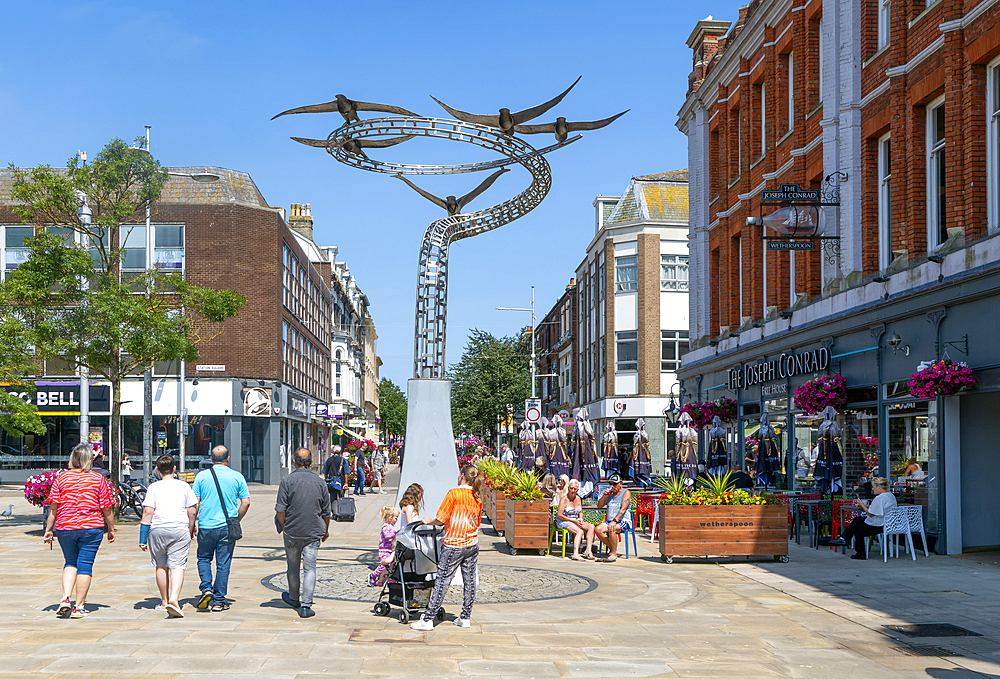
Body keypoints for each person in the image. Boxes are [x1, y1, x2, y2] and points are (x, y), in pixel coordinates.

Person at [43, 443, 115, 619]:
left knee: (70, 562)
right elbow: (107, 508)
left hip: (65, 527)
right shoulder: (98, 479)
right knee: (85, 565)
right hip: (91, 527)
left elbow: (53, 508)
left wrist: (48, 530)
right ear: (89, 459)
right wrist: (111, 528)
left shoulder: (61, 479)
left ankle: (65, 598)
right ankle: (79, 606)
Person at [410, 465, 482, 630]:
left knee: (442, 581)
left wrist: (429, 521)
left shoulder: (454, 493)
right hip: (472, 543)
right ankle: (465, 616)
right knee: (469, 581)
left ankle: (428, 619)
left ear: (462, 476)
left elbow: (442, 518)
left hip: (454, 544)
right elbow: (477, 522)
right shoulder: (476, 496)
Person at [192, 445, 250, 612]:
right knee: (223, 563)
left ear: (211, 459)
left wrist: (193, 522)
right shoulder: (237, 476)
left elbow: (195, 503)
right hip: (227, 526)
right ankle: (218, 601)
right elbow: (246, 502)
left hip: (205, 525)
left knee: (203, 558)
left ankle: (206, 588)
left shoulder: (201, 477)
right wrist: (236, 520)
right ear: (228, 458)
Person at [139, 454, 198, 618]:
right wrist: (191, 528)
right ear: (174, 469)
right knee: (178, 565)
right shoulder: (184, 486)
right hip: (179, 529)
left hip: (158, 529)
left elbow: (148, 512)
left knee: (161, 565)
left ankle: (164, 602)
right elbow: (192, 511)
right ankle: (174, 599)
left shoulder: (153, 488)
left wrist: (142, 538)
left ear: (157, 470)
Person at [275, 448, 330, 618]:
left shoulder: (287, 480)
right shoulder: (320, 482)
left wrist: (285, 526)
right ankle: (306, 605)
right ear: (311, 462)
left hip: (292, 531)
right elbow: (326, 512)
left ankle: (293, 597)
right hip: (313, 531)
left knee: (293, 566)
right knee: (310, 568)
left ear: (294, 462)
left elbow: (280, 510)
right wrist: (325, 530)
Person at [831, 477, 897, 559]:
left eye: (873, 486)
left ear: (879, 486)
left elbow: (870, 514)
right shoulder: (890, 495)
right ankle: (844, 538)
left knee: (858, 530)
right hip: (888, 523)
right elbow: (880, 507)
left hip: (880, 524)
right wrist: (867, 506)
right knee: (858, 519)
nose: (872, 489)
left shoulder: (879, 498)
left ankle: (859, 552)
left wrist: (862, 505)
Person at [594, 473, 632, 563]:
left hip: (623, 520)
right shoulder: (609, 494)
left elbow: (623, 509)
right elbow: (599, 506)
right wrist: (605, 496)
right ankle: (613, 548)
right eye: (610, 484)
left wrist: (615, 521)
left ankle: (613, 553)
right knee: (597, 529)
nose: (612, 486)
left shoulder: (626, 493)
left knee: (612, 528)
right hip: (610, 520)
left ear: (620, 484)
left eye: (615, 484)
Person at [557, 479, 596, 561]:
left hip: (575, 519)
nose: (573, 491)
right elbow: (559, 515)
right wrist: (573, 521)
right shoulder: (564, 499)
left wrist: (580, 518)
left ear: (577, 490)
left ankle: (588, 550)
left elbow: (580, 512)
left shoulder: (578, 498)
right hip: (564, 520)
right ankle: (575, 554)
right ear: (568, 488)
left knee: (591, 527)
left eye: (575, 489)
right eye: (571, 488)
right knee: (580, 531)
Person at [368, 506, 400, 587]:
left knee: (390, 566)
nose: (396, 520)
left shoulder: (391, 527)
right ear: (390, 518)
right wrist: (396, 534)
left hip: (390, 549)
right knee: (383, 565)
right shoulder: (386, 527)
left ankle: (387, 579)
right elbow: (388, 536)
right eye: (396, 518)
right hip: (384, 550)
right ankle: (373, 575)